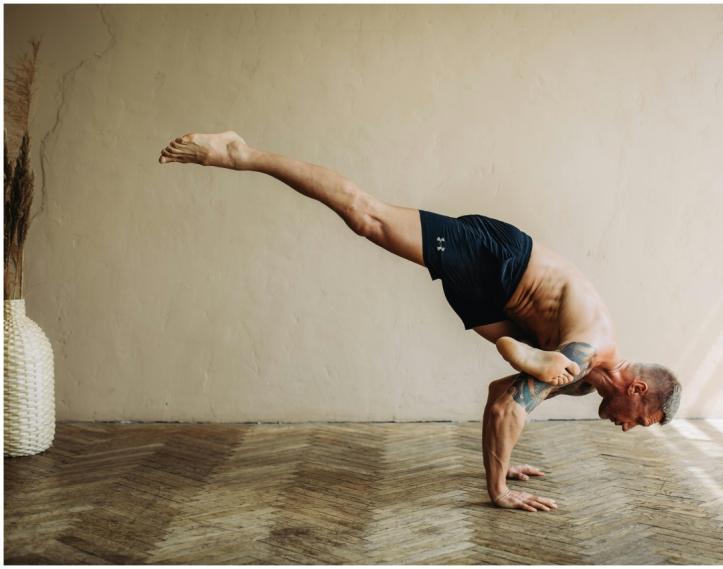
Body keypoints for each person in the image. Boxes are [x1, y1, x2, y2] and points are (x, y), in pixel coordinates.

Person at [158, 131, 682, 512]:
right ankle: (241, 153)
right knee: (369, 217)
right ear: (637, 389)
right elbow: (509, 404)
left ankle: (517, 349)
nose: (628, 427)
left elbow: (502, 398)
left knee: (520, 384)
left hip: (497, 305)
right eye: (640, 419)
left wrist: (501, 465)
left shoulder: (581, 379)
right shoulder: (588, 351)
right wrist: (499, 490)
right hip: (498, 260)